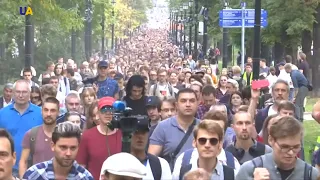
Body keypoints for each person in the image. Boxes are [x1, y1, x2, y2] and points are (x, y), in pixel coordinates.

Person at [236, 116, 319, 180]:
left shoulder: (310, 174)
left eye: (296, 147)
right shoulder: (249, 170)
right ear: (271, 140)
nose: (291, 153)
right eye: (284, 147)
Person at [148, 88, 200, 170]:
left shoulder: (204, 127)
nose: (188, 104)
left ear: (197, 103)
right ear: (176, 105)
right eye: (183, 101)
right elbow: (151, 159)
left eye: (192, 101)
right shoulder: (162, 127)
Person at [0, 80, 43, 176]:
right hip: (9, 167)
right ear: (13, 93)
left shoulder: (40, 113)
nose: (21, 95)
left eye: (24, 92)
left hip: (35, 167)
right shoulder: (2, 114)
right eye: (18, 92)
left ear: (30, 93)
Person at [23, 122, 93, 180]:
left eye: (73, 148)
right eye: (63, 147)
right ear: (53, 146)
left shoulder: (85, 177)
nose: (68, 153)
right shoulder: (33, 174)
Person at [76, 97, 122, 180]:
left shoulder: (123, 135)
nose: (108, 113)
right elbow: (81, 167)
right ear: (98, 113)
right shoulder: (87, 136)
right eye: (104, 110)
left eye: (111, 110)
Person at [19, 97, 60, 177]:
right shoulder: (31, 134)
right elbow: (23, 161)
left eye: (52, 110)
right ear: (41, 111)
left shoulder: (64, 134)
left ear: (58, 112)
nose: (48, 114)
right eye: (46, 110)